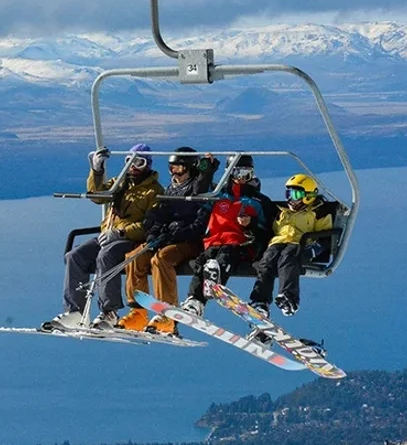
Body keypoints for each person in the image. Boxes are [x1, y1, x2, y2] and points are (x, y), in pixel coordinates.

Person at [45, 143, 163, 330]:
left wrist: (121, 232)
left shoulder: (154, 191)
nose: (133, 166)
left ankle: (109, 311)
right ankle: (75, 311)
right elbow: (98, 196)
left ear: (147, 164)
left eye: (138, 162)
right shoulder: (120, 183)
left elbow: (150, 224)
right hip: (108, 234)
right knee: (75, 256)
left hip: (131, 239)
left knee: (106, 256)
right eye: (129, 161)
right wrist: (97, 170)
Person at [118, 147, 218, 335]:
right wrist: (153, 233)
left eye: (179, 169)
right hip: (169, 238)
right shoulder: (171, 189)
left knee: (161, 259)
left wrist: (175, 234)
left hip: (190, 242)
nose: (174, 173)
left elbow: (200, 224)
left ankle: (168, 314)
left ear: (190, 168)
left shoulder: (202, 190)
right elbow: (160, 215)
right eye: (171, 168)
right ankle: (138, 311)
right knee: (134, 256)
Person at [179, 155, 266, 316]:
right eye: (237, 173)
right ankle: (195, 300)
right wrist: (207, 170)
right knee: (203, 261)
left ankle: (214, 283)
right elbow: (199, 195)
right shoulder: (219, 196)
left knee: (225, 256)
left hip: (240, 245)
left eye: (246, 174)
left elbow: (265, 230)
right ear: (229, 173)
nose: (241, 178)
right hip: (214, 242)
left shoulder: (257, 201)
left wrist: (251, 224)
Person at [248, 173, 334, 320]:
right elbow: (272, 230)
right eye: (288, 193)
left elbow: (325, 236)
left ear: (308, 195)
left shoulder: (318, 212)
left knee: (287, 259)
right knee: (267, 261)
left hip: (300, 244)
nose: (291, 198)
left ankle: (289, 298)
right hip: (277, 243)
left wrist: (314, 249)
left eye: (295, 194)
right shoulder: (283, 212)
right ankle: (260, 301)